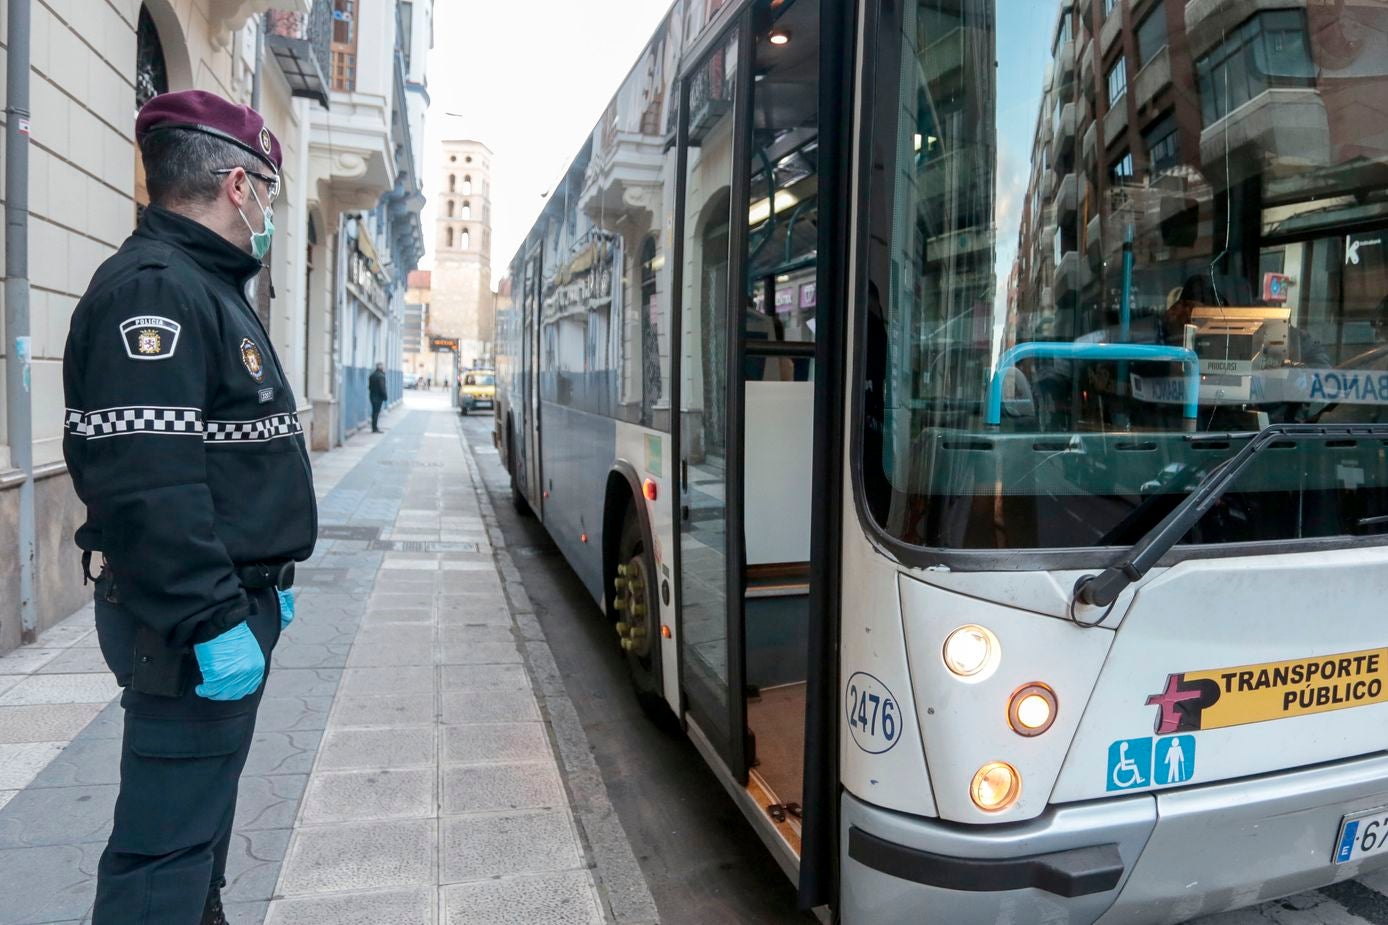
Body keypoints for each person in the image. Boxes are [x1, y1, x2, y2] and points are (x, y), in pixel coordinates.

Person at [62, 90, 317, 925]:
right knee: (162, 855)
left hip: (224, 606)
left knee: (196, 837)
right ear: (238, 187)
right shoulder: (156, 292)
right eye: (268, 191)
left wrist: (265, 578)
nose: (269, 210)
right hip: (188, 627)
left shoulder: (203, 284)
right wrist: (212, 620)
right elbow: (149, 487)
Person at [369, 362, 388, 432]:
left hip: (372, 396)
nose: (384, 368)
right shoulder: (381, 376)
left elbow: (369, 387)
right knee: (376, 412)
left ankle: (373, 427)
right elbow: (382, 388)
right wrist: (385, 396)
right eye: (383, 367)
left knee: (374, 412)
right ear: (381, 368)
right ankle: (375, 428)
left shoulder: (372, 375)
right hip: (378, 397)